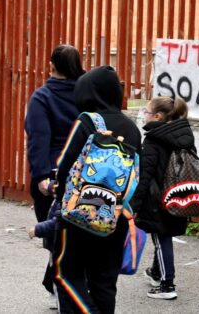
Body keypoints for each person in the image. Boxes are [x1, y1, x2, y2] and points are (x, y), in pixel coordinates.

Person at [52, 65, 141, 313]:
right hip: (115, 216)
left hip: (79, 215)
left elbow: (65, 167)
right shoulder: (131, 127)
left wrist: (61, 199)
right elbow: (137, 175)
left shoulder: (88, 121)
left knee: (65, 273)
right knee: (104, 281)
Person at [24, 44, 84, 302]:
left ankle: (60, 286)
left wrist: (40, 177)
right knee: (82, 226)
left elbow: (38, 138)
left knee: (55, 231)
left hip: (53, 173)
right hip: (86, 171)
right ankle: (59, 283)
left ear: (51, 65)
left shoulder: (43, 97)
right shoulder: (86, 94)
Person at [131, 96, 195, 300]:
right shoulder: (183, 136)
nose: (144, 115)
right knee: (163, 235)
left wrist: (135, 204)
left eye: (146, 112)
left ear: (157, 116)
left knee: (161, 239)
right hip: (178, 195)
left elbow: (145, 176)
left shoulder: (153, 140)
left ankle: (167, 285)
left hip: (157, 198)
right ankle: (156, 273)